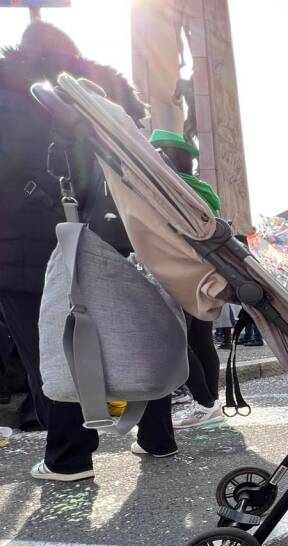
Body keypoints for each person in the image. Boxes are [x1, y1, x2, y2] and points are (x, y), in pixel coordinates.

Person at [0, 21, 177, 479]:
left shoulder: (11, 97)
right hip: (110, 230)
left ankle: (69, 456)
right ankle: (157, 435)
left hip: (25, 242)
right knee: (130, 325)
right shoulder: (101, 93)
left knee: (49, 348)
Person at [148, 130, 226, 430]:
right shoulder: (201, 189)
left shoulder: (174, 189)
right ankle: (211, 403)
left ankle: (204, 403)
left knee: (179, 341)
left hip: (180, 270)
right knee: (201, 339)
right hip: (206, 271)